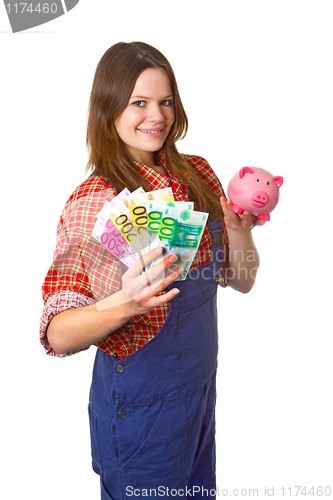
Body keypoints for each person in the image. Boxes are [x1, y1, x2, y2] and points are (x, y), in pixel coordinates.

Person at [40, 41, 263, 500]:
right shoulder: (95, 202)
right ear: (109, 109)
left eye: (165, 101)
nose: (155, 116)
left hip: (199, 395)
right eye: (138, 102)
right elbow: (56, 334)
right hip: (141, 409)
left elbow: (241, 280)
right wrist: (124, 302)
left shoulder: (197, 176)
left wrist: (240, 231)